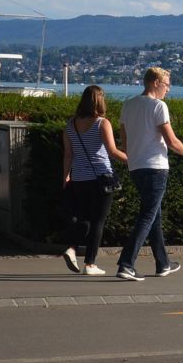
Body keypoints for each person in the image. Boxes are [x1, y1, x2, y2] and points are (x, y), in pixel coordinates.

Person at [115, 67, 183, 281]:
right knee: (148, 215)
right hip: (155, 167)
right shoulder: (159, 106)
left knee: (153, 214)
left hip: (136, 167)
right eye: (166, 84)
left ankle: (163, 263)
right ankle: (126, 263)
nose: (169, 89)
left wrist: (134, 156)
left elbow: (125, 141)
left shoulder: (128, 106)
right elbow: (172, 142)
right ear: (155, 82)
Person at [61, 85, 127, 276]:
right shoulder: (101, 123)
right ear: (99, 101)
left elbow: (68, 154)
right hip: (101, 177)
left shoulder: (70, 124)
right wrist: (133, 161)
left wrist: (66, 176)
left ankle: (72, 248)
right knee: (98, 221)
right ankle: (90, 264)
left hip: (79, 177)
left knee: (85, 219)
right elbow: (113, 152)